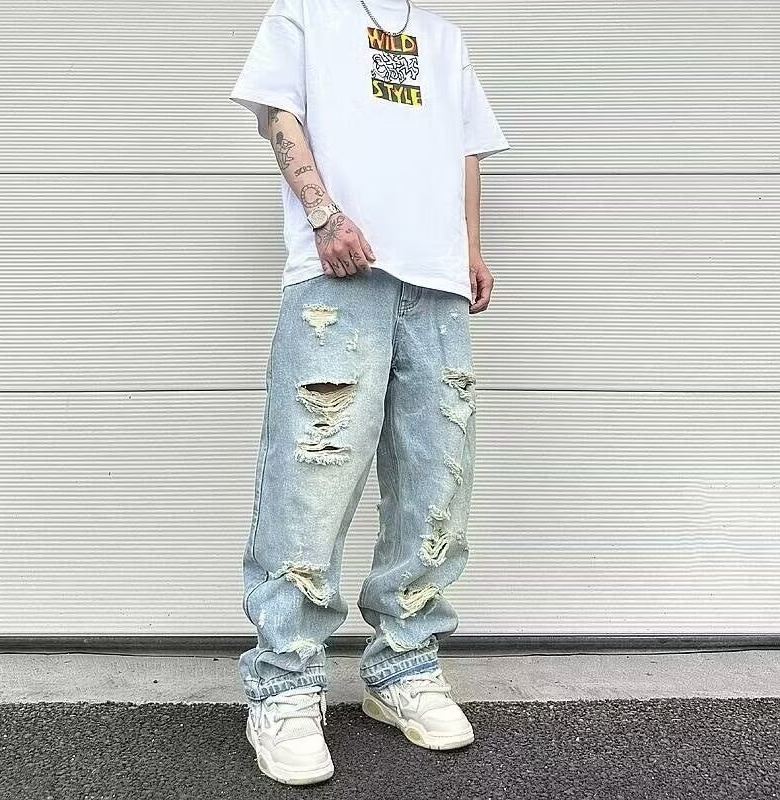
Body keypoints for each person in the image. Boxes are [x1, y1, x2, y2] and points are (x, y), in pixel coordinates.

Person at [229, 0, 509, 785]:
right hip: (340, 272)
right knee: (312, 481)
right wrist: (323, 215)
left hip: (437, 286)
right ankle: (284, 685)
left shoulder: (444, 37)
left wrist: (470, 247)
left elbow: (466, 150)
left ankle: (404, 667)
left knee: (435, 484)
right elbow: (278, 113)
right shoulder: (305, 14)